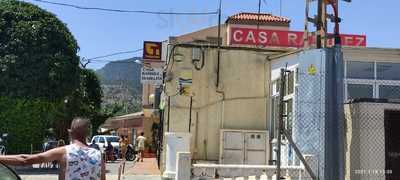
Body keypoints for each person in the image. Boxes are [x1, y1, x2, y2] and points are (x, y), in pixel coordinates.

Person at [0, 117, 105, 180]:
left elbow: (25, 160)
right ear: (88, 134)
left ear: (70, 132)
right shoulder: (98, 155)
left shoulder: (64, 152)